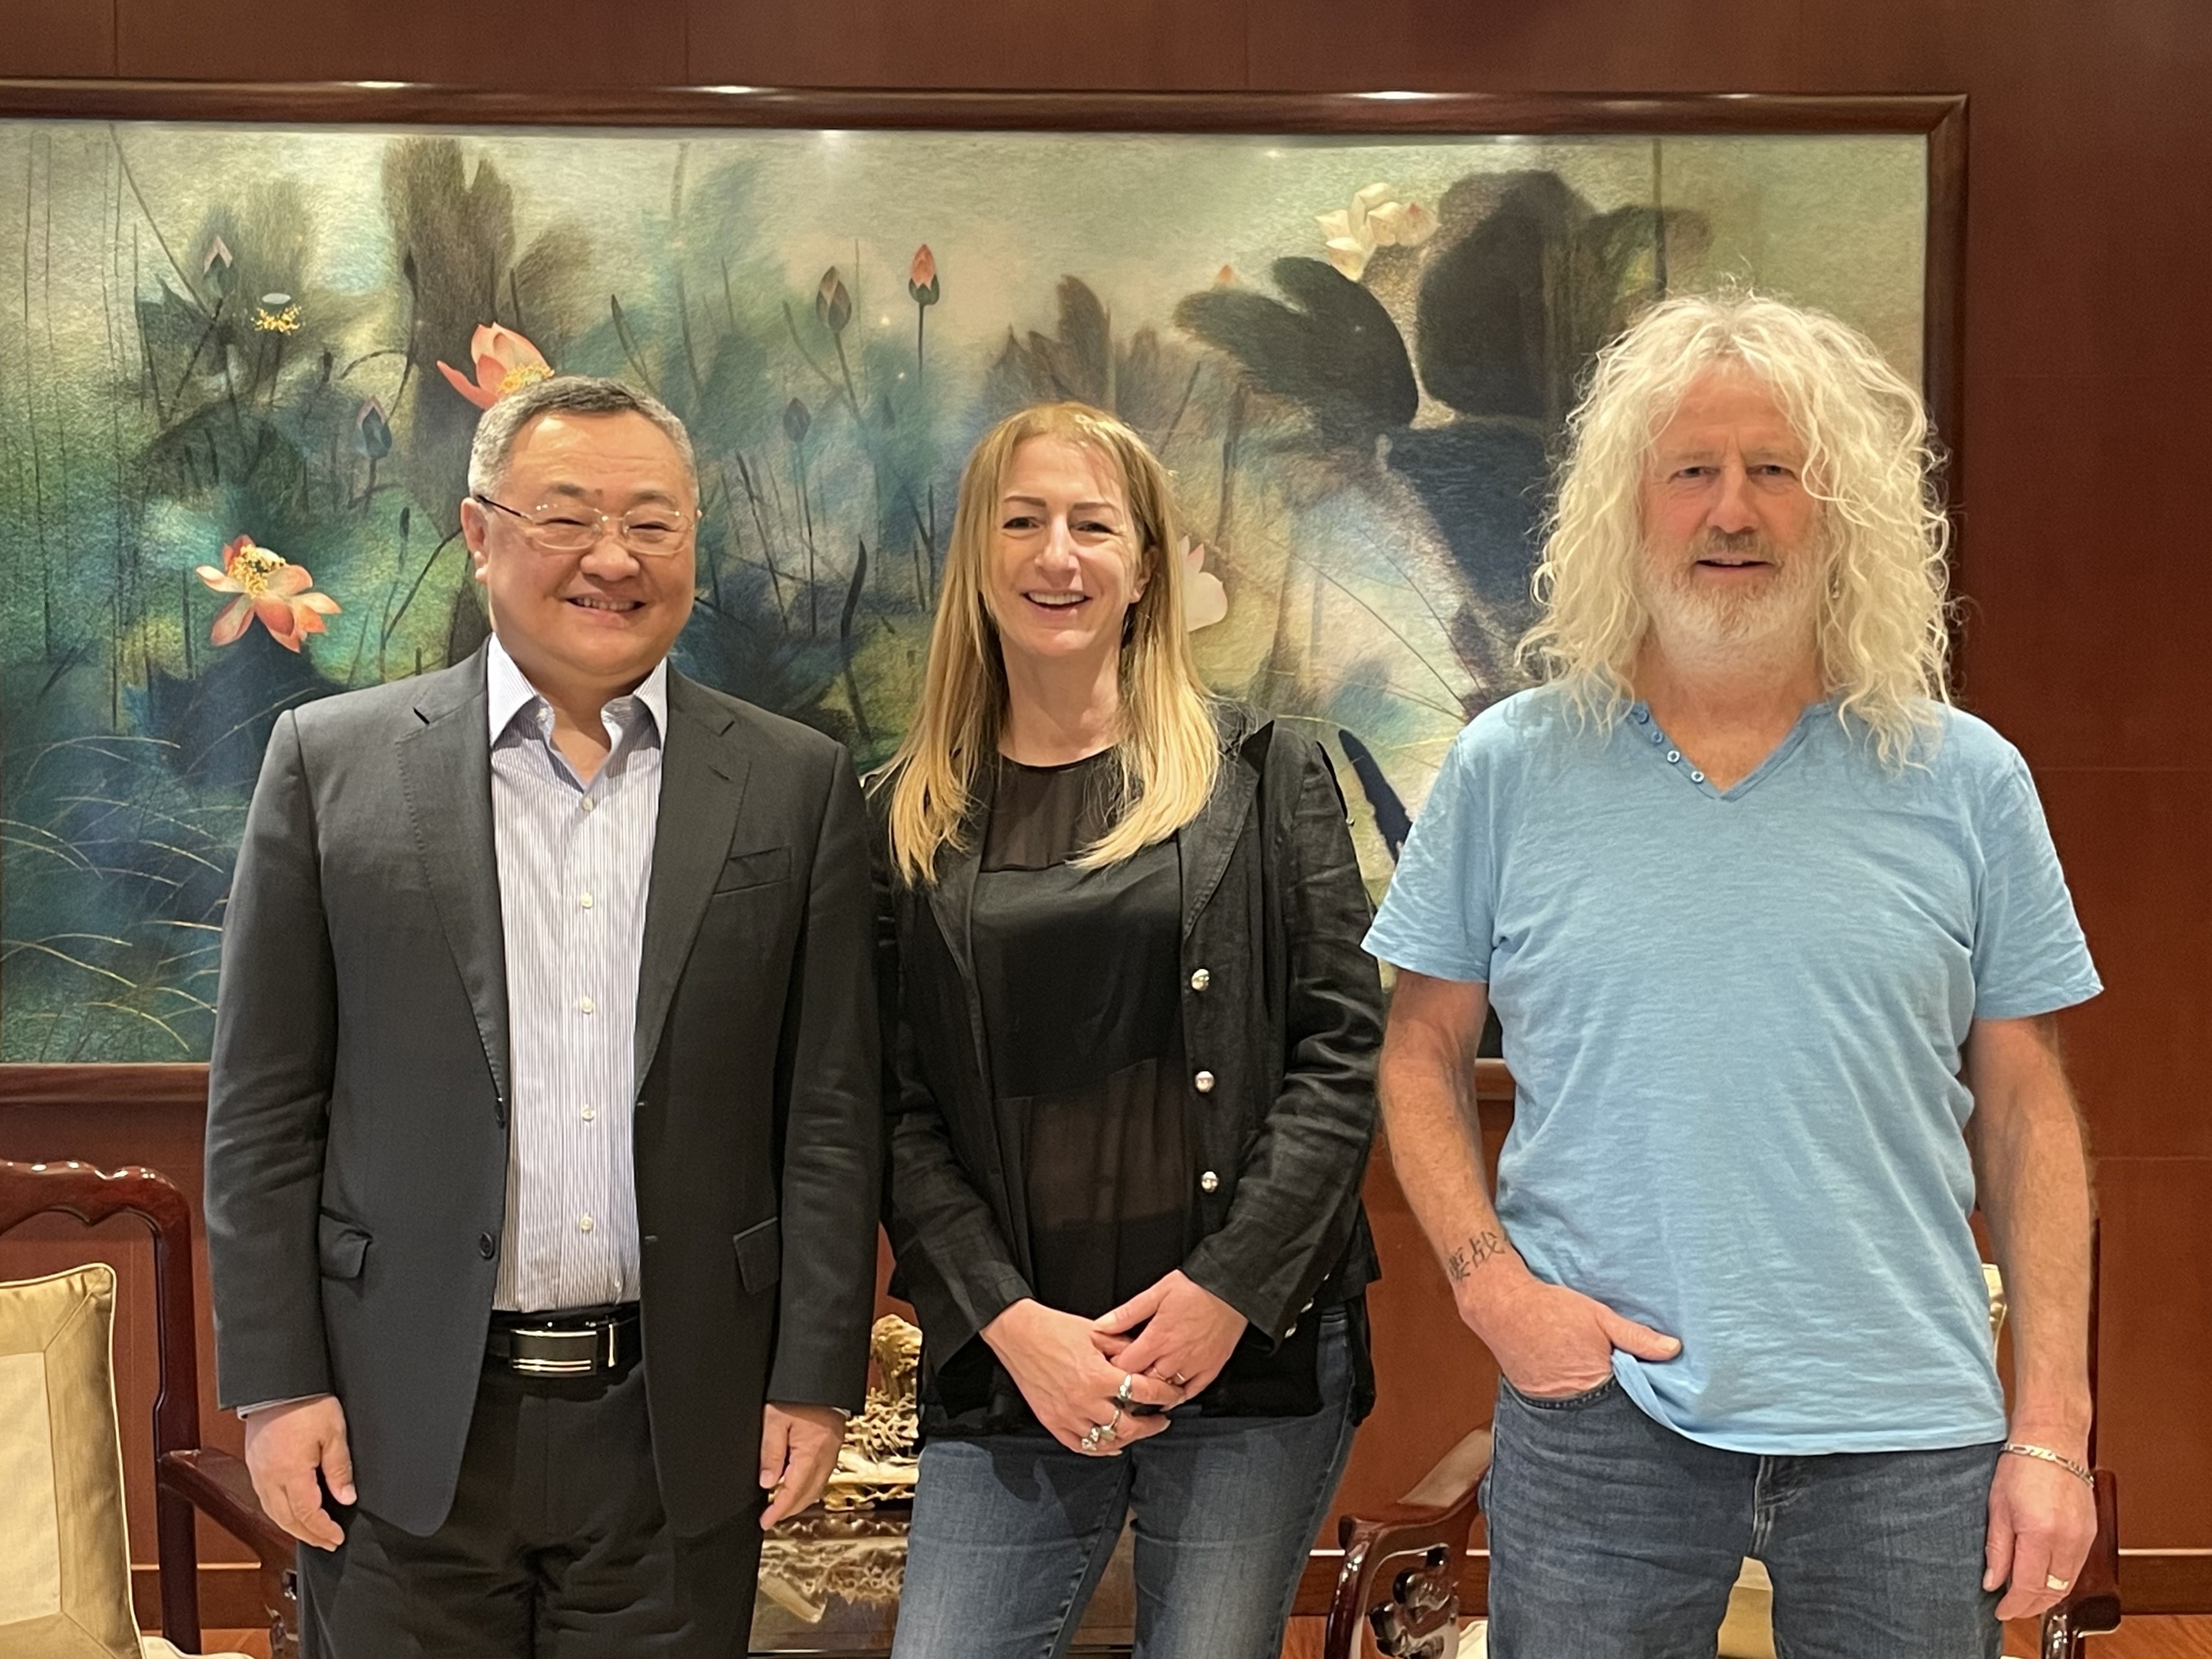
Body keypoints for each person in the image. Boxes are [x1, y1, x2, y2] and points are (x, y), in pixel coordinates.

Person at [1363, 291, 2102, 1658]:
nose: (1733, 512)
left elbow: (2026, 1109)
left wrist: (2053, 1429)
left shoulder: (1965, 778)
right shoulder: (1509, 768)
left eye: (1776, 470)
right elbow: (1415, 1051)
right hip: (1601, 1422)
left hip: (1906, 1431)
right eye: (1692, 471)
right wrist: (1489, 1287)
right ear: (1624, 509)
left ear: (1844, 510)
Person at [204, 375, 881, 1656]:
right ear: (478, 534)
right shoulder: (330, 764)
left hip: (680, 1417)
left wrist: (811, 1374)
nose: (612, 558)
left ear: (692, 540)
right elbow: (263, 1107)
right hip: (398, 1416)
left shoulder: (794, 787)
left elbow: (830, 1113)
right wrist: (279, 1381)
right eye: (565, 516)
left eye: (652, 522)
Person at [874, 402, 1383, 1659]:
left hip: (1248, 1355)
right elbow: (887, 1104)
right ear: (979, 563)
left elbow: (1341, 1055)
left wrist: (1226, 1292)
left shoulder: (1269, 775)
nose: (1060, 555)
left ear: (1147, 565)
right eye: (1025, 521)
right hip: (1013, 1366)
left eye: (1095, 525)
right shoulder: (900, 817)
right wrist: (1008, 1321)